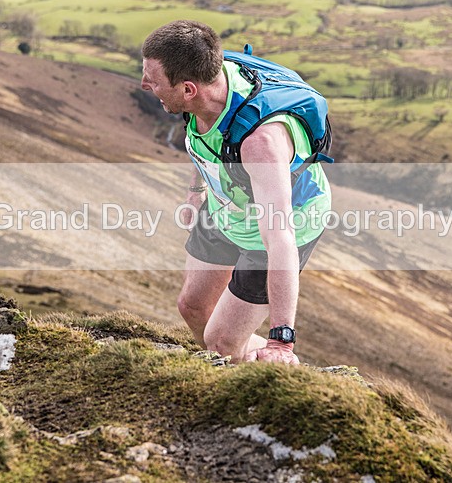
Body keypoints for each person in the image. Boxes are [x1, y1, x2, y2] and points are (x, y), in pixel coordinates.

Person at [141, 20, 331, 365]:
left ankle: (269, 371)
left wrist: (280, 340)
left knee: (220, 341)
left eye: (153, 81)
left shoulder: (260, 144)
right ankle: (234, 363)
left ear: (188, 89)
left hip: (282, 228)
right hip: (227, 207)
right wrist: (196, 191)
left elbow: (280, 239)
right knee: (193, 307)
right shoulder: (208, 79)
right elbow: (204, 139)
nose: (144, 85)